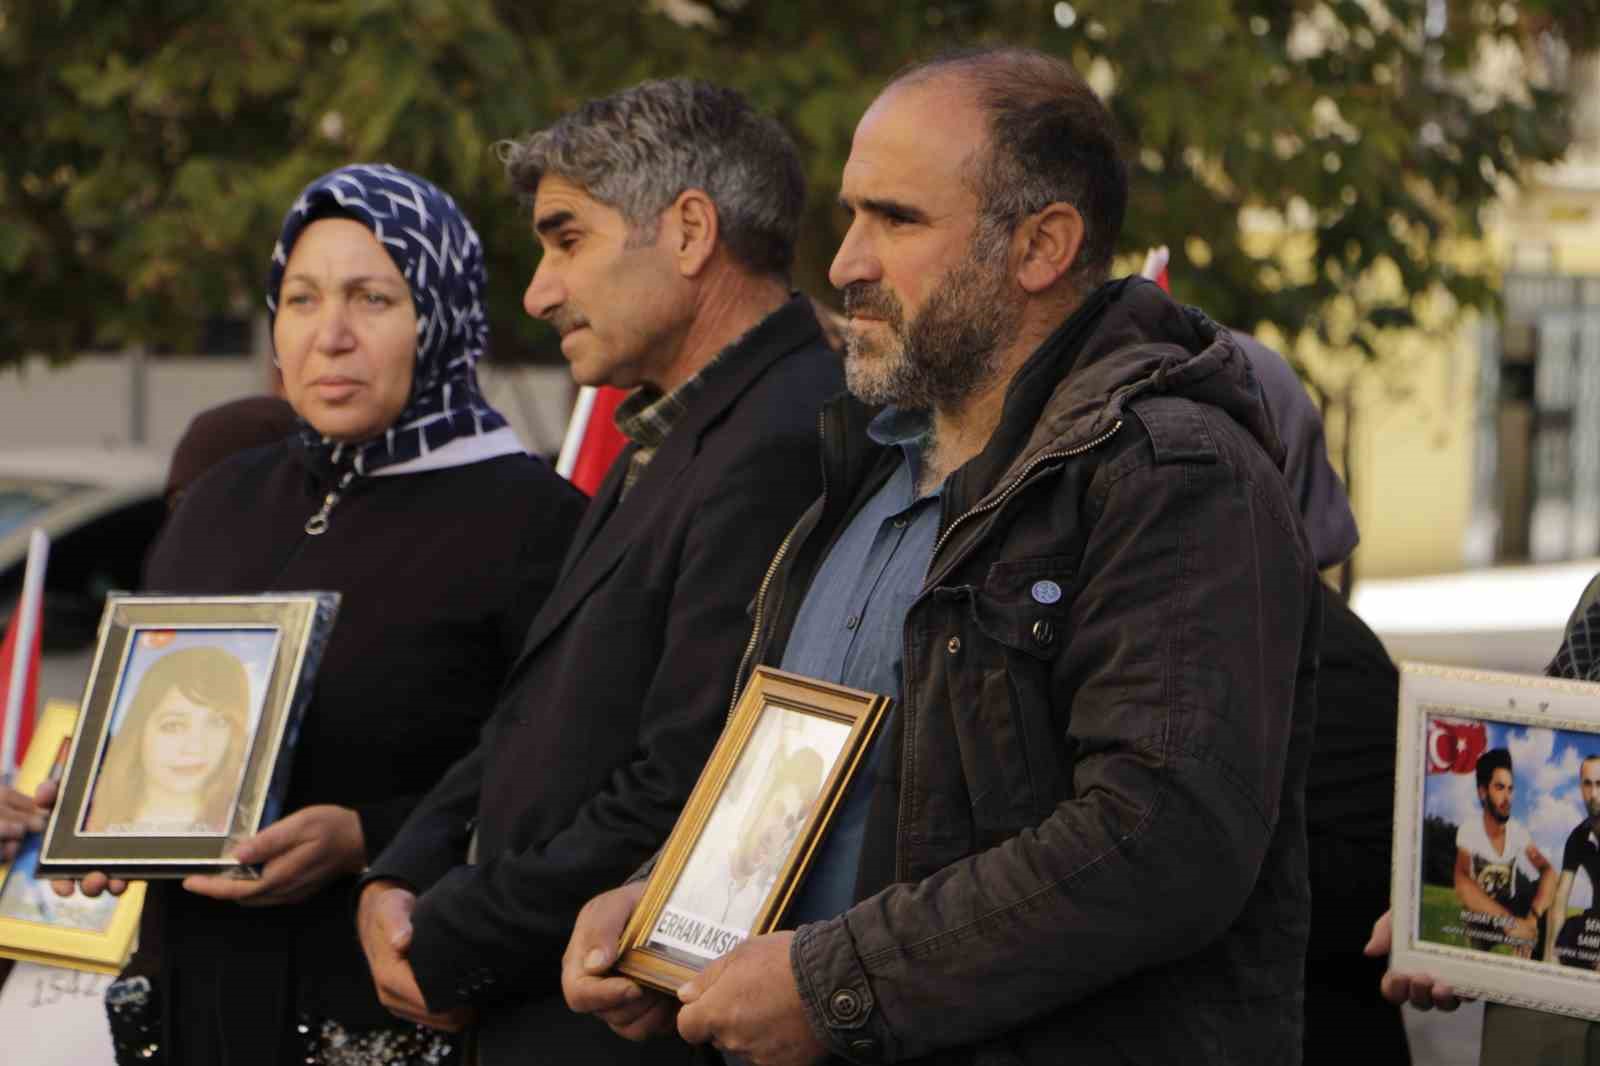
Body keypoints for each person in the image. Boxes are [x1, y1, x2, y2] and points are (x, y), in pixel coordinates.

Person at [564, 46, 1318, 1064]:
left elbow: (1162, 839)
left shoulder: (1170, 473)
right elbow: (812, 788)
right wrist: (663, 909)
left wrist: (833, 982)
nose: (843, 264)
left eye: (897, 219)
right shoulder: (866, 467)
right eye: (849, 215)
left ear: (1041, 245)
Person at [47, 162, 587, 1066]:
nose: (329, 336)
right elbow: (153, 700)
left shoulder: (533, 523)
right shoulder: (223, 497)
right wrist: (97, 785)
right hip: (194, 1000)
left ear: (440, 315)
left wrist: (367, 838)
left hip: (385, 1007)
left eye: (372, 299)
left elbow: (565, 784)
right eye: (300, 300)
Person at [355, 80, 842, 1065]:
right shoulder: (675, 423)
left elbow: (689, 775)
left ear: (690, 231)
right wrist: (396, 873)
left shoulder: (784, 431)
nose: (537, 291)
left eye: (565, 239)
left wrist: (447, 942)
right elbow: (534, 712)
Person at [83, 645, 251, 835]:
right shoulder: (86, 811)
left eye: (217, 722)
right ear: (138, 731)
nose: (195, 747)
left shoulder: (248, 821)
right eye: (174, 726)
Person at [1454, 747, 1555, 955]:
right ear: (1483, 792)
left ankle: (1537, 965)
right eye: (1500, 787)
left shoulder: (1518, 831)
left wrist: (1532, 918)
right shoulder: (1470, 829)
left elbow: (1548, 871)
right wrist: (1508, 923)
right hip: (1483, 917)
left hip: (1513, 910)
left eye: (1510, 789)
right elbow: (1462, 881)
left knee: (1548, 891)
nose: (1507, 797)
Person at [1544, 755, 1600, 967]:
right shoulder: (1577, 838)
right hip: (1594, 925)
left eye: (1599, 784)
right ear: (1580, 787)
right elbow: (1560, 899)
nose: (1593, 794)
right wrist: (1550, 959)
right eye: (1587, 784)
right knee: (1563, 934)